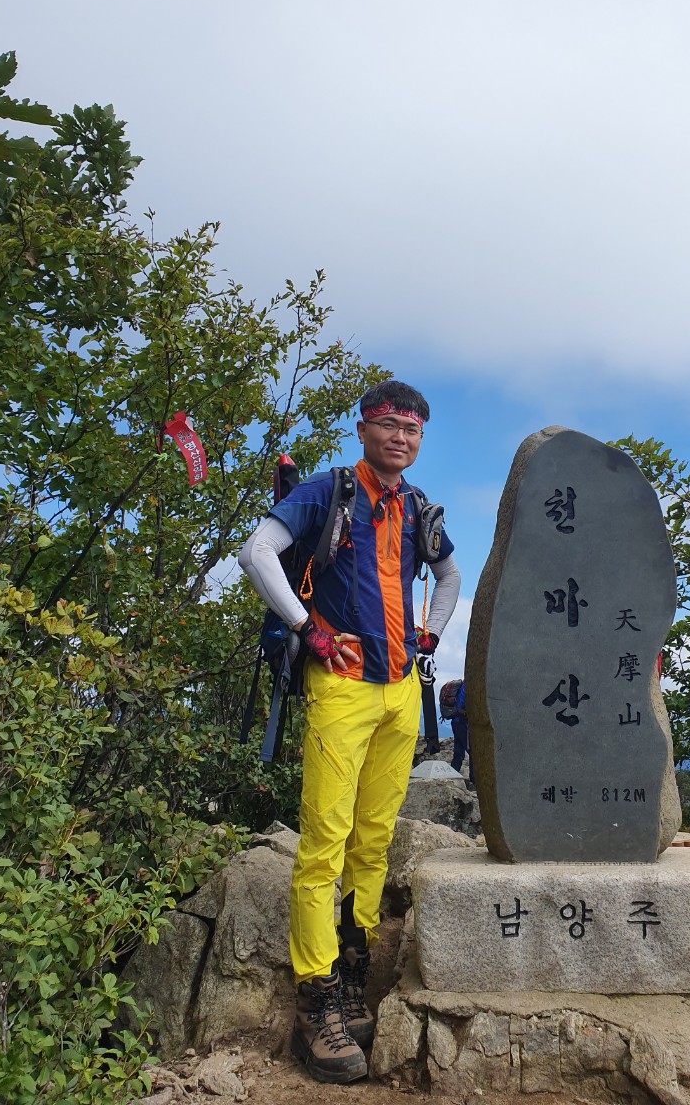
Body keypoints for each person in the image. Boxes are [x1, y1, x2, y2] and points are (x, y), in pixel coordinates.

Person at [238, 380, 460, 1083]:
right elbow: (257, 552)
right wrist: (308, 629)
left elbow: (450, 575)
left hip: (399, 690)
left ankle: (353, 975)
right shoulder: (328, 492)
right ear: (363, 429)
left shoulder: (417, 506)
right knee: (324, 846)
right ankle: (317, 1002)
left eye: (413, 429)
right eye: (390, 424)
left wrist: (429, 635)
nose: (402, 437)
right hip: (340, 685)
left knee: (372, 840)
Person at [449, 679, 474, 786]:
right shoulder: (468, 684)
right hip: (462, 723)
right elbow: (460, 705)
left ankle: (451, 776)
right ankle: (474, 780)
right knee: (472, 751)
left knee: (458, 751)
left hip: (456, 722)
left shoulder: (464, 684)